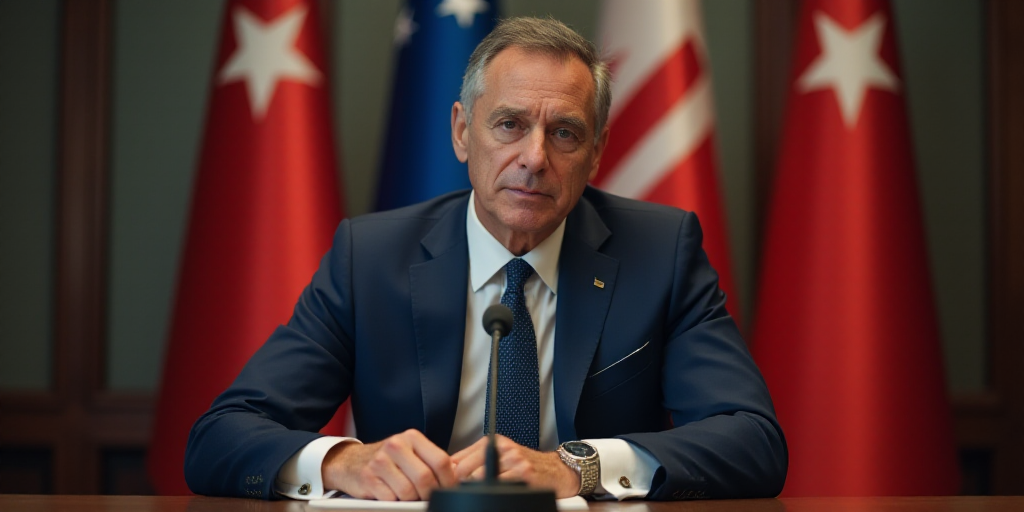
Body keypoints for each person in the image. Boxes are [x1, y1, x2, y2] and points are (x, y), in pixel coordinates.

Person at [184, 17, 787, 502]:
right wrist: (345, 461)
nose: (534, 158)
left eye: (565, 133)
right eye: (509, 125)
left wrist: (578, 466)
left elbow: (753, 441)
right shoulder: (369, 259)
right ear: (461, 132)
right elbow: (221, 436)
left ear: (597, 152)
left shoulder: (660, 253)